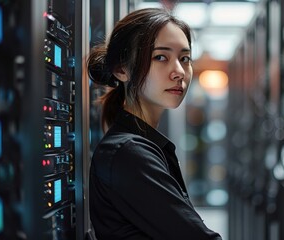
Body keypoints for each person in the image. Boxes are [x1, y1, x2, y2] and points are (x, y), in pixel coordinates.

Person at [87, 7, 223, 240]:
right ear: (122, 69)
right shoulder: (128, 153)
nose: (179, 72)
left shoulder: (137, 146)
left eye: (185, 58)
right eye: (161, 57)